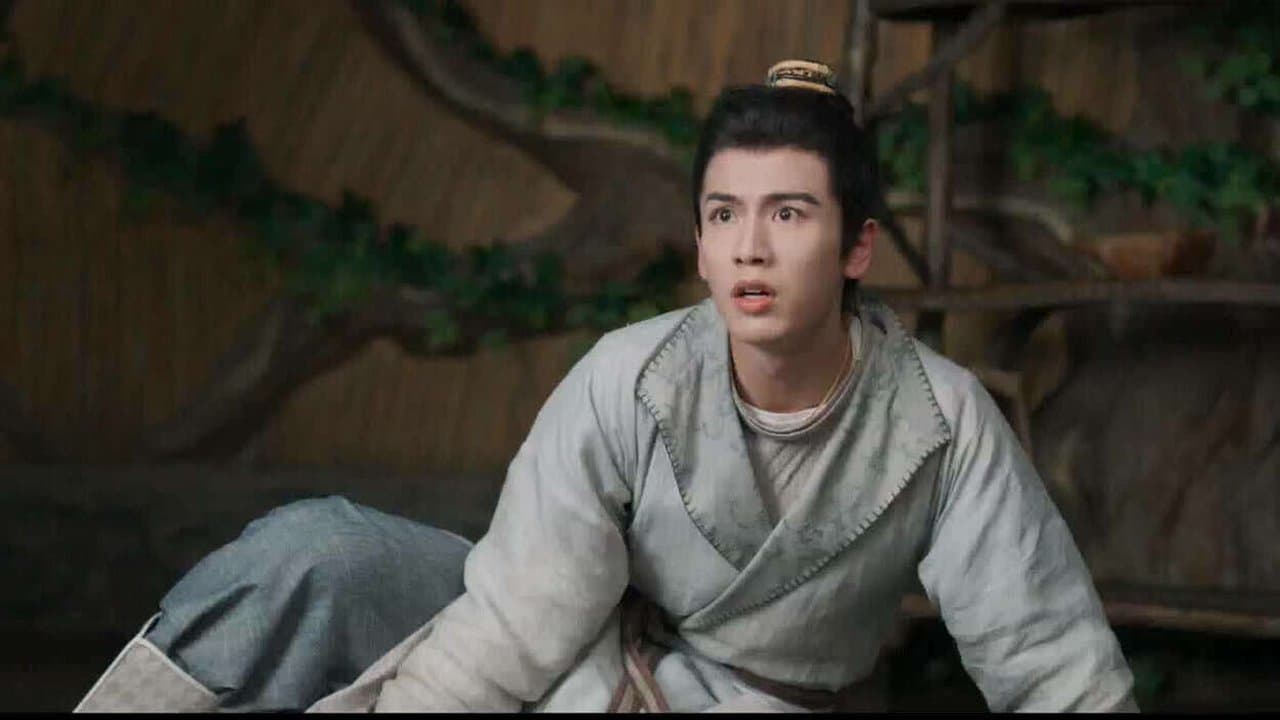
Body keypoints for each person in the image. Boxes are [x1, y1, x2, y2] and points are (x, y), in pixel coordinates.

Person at [76, 59, 1137, 713]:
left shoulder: (940, 421)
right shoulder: (632, 377)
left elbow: (1053, 663)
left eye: (789, 213)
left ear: (858, 247)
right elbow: (520, 615)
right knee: (317, 554)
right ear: (699, 243)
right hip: (572, 664)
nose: (750, 247)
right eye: (723, 215)